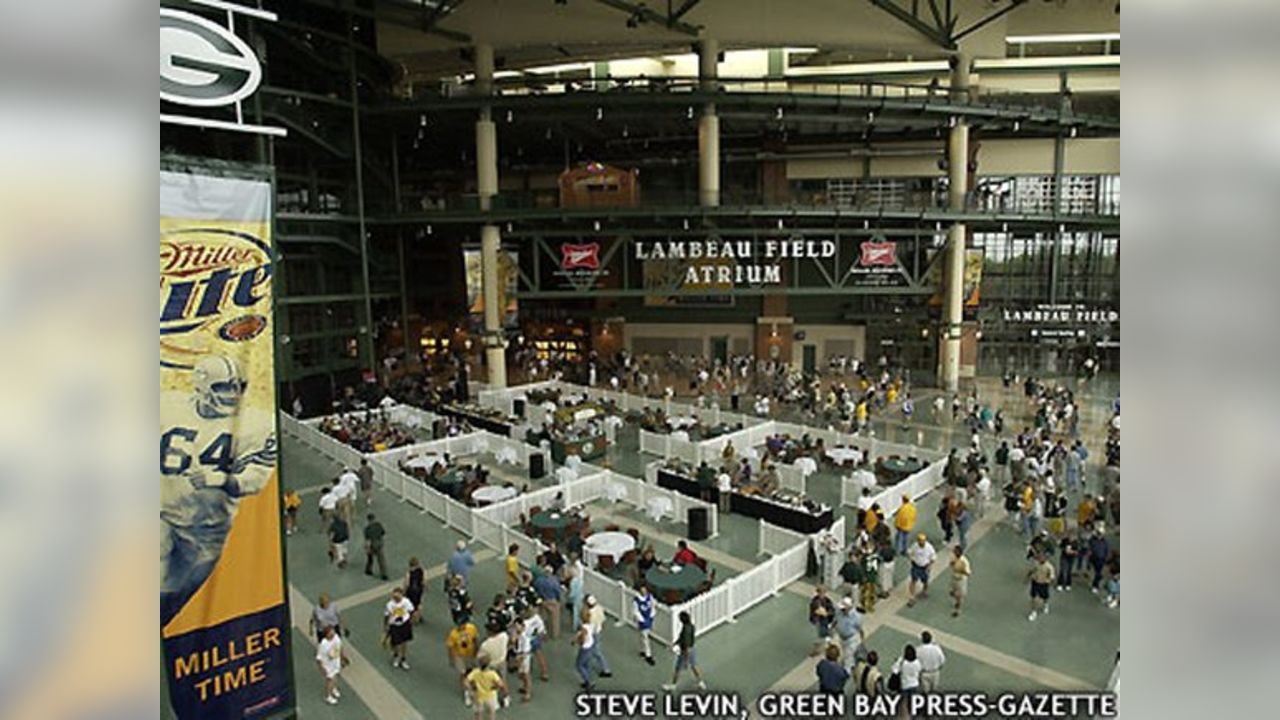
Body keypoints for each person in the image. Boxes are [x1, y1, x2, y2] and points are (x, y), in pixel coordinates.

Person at [663, 611, 706, 691]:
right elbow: (682, 638)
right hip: (692, 648)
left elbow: (685, 644)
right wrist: (674, 644)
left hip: (685, 651)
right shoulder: (691, 626)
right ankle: (701, 682)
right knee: (694, 666)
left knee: (678, 668)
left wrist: (685, 660)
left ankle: (673, 685)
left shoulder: (685, 629)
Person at [447, 617, 480, 704]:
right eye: (458, 624)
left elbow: (475, 639)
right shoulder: (453, 634)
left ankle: (473, 688)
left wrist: (476, 651)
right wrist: (451, 659)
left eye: (461, 624)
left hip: (470, 654)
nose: (459, 626)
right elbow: (450, 647)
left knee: (472, 671)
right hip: (459, 656)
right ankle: (466, 693)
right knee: (462, 673)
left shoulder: (471, 628)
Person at [477, 626, 511, 709]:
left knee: (492, 684)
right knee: (502, 681)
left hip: (492, 666)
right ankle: (506, 697)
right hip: (502, 662)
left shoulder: (485, 644)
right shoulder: (504, 636)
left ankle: (494, 703)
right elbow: (509, 643)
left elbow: (480, 657)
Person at [315, 624, 349, 705]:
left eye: (333, 631)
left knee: (336, 676)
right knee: (330, 680)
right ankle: (328, 696)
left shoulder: (336, 638)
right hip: (328, 665)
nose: (333, 632)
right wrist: (322, 668)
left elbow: (340, 647)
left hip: (336, 662)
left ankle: (334, 688)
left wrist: (343, 658)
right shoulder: (323, 644)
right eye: (331, 632)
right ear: (327, 634)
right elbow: (319, 658)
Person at [467, 654, 507, 720]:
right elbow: (501, 684)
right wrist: (496, 688)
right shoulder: (492, 674)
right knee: (491, 713)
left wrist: (471, 690)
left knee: (478, 714)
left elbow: (466, 681)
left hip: (479, 696)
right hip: (491, 696)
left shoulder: (475, 672)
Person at [384, 587, 415, 669]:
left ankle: (403, 659)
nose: (396, 598)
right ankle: (396, 655)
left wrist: (411, 621)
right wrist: (386, 626)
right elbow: (386, 616)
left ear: (401, 594)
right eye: (394, 596)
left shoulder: (406, 602)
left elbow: (411, 611)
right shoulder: (389, 604)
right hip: (394, 625)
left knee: (404, 642)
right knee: (395, 643)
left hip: (404, 624)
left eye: (398, 596)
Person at [584, 595, 613, 679]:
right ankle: (605, 668)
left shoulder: (589, 613)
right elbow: (603, 620)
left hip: (592, 634)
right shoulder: (599, 608)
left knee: (594, 652)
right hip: (598, 632)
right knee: (596, 651)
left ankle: (605, 669)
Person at [833, 596, 864, 672]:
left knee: (848, 656)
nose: (842, 609)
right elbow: (835, 620)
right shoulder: (838, 611)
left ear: (849, 607)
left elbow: (860, 629)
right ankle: (851, 662)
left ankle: (847, 670)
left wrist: (862, 639)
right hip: (841, 638)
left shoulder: (856, 617)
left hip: (851, 639)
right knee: (845, 652)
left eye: (844, 608)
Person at [532, 564, 563, 639]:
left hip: (543, 600)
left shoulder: (539, 580)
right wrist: (559, 600)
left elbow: (535, 588)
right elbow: (558, 592)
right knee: (554, 620)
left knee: (542, 618)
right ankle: (554, 635)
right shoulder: (554, 581)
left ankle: (541, 634)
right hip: (553, 601)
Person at [906, 533, 936, 608]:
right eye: (919, 541)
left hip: (924, 567)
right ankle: (912, 597)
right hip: (916, 566)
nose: (921, 543)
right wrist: (911, 559)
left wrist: (929, 565)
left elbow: (933, 556)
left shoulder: (929, 547)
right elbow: (909, 552)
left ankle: (924, 591)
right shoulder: (915, 546)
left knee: (925, 581)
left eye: (922, 541)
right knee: (913, 581)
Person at [572, 610, 599, 691]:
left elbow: (582, 637)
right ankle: (587, 679)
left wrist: (577, 642)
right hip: (590, 646)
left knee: (579, 665)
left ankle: (588, 681)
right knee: (586, 664)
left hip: (585, 648)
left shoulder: (583, 628)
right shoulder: (591, 625)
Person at [808, 585, 836, 656]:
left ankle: (828, 646)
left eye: (823, 592)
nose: (822, 594)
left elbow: (831, 610)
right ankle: (817, 650)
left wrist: (827, 613)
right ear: (818, 592)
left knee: (827, 634)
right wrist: (825, 613)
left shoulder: (828, 600)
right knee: (820, 636)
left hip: (827, 621)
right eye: (820, 592)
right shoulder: (815, 601)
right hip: (819, 621)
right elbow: (818, 611)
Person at [634, 582, 657, 666]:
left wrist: (651, 615)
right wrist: (642, 620)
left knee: (643, 636)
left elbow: (653, 605)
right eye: (642, 590)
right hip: (643, 621)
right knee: (645, 637)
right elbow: (636, 611)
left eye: (645, 590)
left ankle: (643, 650)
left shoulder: (649, 597)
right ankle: (648, 655)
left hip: (649, 618)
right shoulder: (637, 600)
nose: (644, 592)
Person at [1027, 553, 1055, 622]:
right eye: (1039, 558)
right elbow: (1032, 570)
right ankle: (1034, 612)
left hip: (1043, 584)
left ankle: (1045, 604)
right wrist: (1028, 577)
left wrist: (1048, 581)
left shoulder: (1049, 567)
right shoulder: (1036, 564)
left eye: (1042, 558)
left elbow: (1052, 576)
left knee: (1044, 596)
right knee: (1035, 597)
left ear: (1045, 559)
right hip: (1035, 582)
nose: (1040, 559)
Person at [948, 545, 972, 618]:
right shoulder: (953, 557)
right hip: (954, 577)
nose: (954, 552)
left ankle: (957, 610)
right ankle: (956, 596)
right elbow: (951, 565)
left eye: (955, 551)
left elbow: (968, 573)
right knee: (953, 592)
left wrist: (962, 570)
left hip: (961, 580)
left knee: (959, 596)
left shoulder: (964, 561)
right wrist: (952, 564)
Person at [363, 513, 388, 580]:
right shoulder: (378, 525)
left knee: (370, 558)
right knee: (381, 560)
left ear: (368, 520)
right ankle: (384, 574)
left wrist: (367, 548)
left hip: (372, 544)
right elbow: (383, 533)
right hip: (379, 543)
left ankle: (368, 570)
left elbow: (367, 540)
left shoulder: (367, 529)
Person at [859, 544, 880, 613]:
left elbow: (877, 565)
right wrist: (863, 576)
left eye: (871, 547)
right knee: (865, 592)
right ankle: (864, 605)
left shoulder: (876, 556)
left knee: (872, 592)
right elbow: (862, 567)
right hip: (867, 577)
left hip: (873, 577)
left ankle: (870, 605)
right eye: (869, 547)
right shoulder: (864, 557)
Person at [405, 557, 425, 624]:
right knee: (418, 604)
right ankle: (419, 617)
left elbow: (407, 583)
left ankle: (413, 618)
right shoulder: (421, 571)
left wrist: (404, 591)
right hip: (419, 590)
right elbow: (423, 581)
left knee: (410, 604)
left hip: (411, 591)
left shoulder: (409, 573)